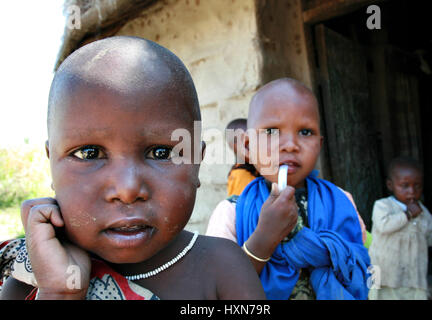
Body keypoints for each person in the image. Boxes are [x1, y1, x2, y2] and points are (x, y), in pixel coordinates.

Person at [0, 36, 265, 300]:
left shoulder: (223, 268)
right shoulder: (31, 283)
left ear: (197, 162)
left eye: (161, 152)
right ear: (51, 163)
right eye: (89, 153)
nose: (127, 190)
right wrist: (59, 293)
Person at [206, 78, 371, 300]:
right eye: (272, 131)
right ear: (247, 146)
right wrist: (264, 238)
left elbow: (362, 263)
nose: (291, 144)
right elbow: (220, 289)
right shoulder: (230, 213)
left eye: (305, 132)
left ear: (318, 145)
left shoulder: (341, 200)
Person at [368, 156, 432, 300]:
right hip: (386, 276)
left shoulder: (422, 213)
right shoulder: (382, 206)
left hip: (413, 278)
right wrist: (408, 214)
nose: (412, 191)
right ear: (390, 185)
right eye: (405, 186)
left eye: (417, 186)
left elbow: (426, 238)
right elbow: (384, 226)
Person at [225, 118, 259, 197]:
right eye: (248, 144)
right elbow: (242, 207)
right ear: (233, 146)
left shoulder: (253, 169)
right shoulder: (242, 175)